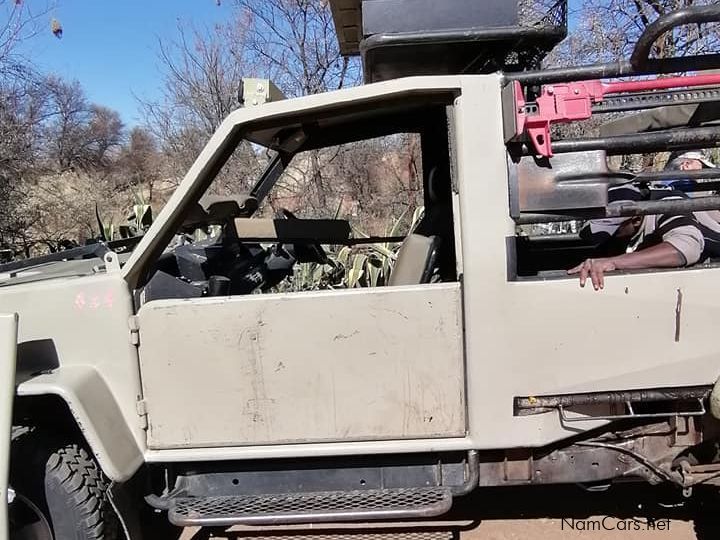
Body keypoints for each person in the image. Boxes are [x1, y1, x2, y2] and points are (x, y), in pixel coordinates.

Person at [567, 184, 708, 290]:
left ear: (636, 220)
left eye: (614, 230)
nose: (609, 237)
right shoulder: (625, 231)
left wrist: (613, 262)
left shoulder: (668, 204)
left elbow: (688, 248)